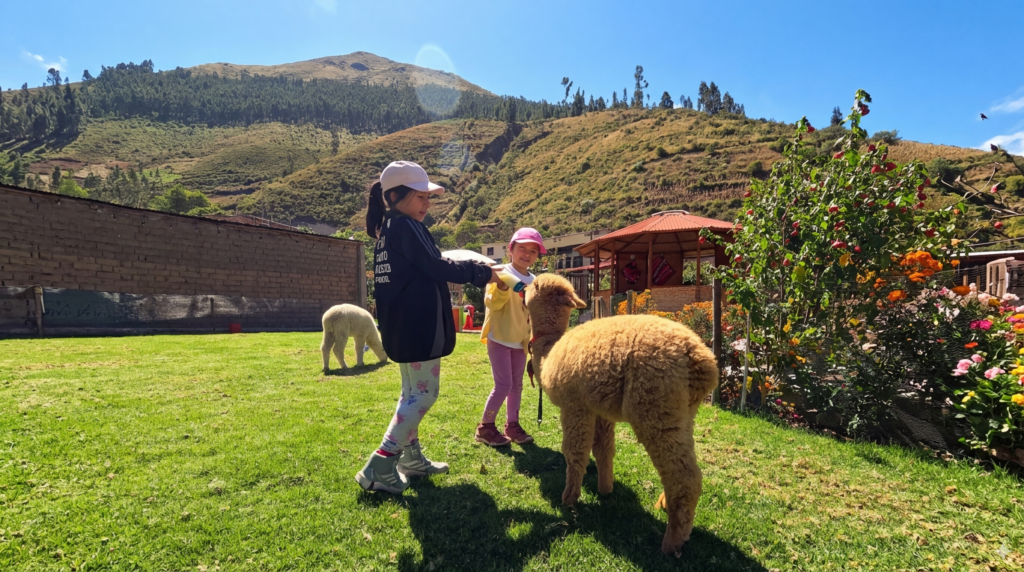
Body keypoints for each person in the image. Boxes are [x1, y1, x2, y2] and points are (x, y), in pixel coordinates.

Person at [355, 161, 499, 494]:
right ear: (395, 195)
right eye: (420, 197)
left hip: (401, 327)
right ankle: (380, 462)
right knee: (423, 394)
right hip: (418, 328)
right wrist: (482, 273)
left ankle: (410, 458)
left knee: (410, 394)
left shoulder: (388, 229)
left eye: (428, 197)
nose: (427, 204)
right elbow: (436, 265)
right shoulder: (406, 227)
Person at [474, 228, 545, 446]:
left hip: (520, 341)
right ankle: (485, 427)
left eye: (533, 251)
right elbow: (491, 303)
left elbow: (532, 312)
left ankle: (512, 425)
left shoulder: (535, 280)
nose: (527, 254)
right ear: (510, 249)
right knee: (503, 385)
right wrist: (503, 287)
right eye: (522, 248)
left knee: (516, 386)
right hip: (500, 337)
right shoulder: (498, 272)